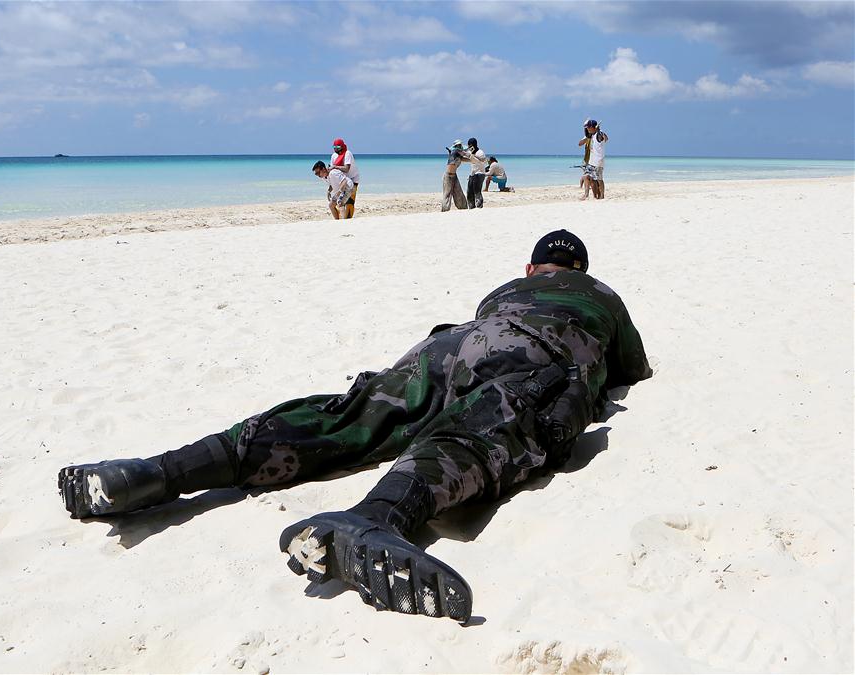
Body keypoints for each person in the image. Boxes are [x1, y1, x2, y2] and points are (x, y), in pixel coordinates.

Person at [57, 230, 652, 624]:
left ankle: (155, 473)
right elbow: (633, 369)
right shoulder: (601, 294)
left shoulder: (505, 288)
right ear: (582, 270)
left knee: (349, 418)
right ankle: (373, 520)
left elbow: (488, 331)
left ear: (530, 266)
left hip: (447, 344)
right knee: (473, 430)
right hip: (532, 351)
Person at [329, 138, 360, 218]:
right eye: (334, 147)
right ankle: (341, 218)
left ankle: (349, 219)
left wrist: (335, 166)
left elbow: (346, 169)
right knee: (340, 201)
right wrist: (330, 186)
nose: (336, 149)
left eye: (338, 147)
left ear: (342, 146)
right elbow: (332, 171)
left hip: (352, 179)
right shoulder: (334, 156)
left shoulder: (347, 153)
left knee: (350, 201)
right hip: (341, 180)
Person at [580, 120, 608, 199]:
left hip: (598, 162)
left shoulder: (599, 134)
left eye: (588, 127)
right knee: (586, 176)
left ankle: (602, 195)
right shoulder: (591, 135)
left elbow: (606, 138)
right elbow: (581, 141)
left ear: (593, 127)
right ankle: (586, 195)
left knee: (599, 179)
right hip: (591, 161)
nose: (587, 129)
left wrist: (599, 130)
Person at [441, 139, 469, 212]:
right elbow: (467, 154)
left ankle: (463, 208)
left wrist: (477, 161)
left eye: (460, 145)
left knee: (458, 192)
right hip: (448, 176)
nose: (460, 146)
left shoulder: (458, 155)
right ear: (456, 146)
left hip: (454, 176)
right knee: (447, 194)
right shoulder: (455, 151)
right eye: (458, 145)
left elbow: (468, 159)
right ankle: (445, 210)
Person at [464, 137, 487, 208]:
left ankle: (479, 207)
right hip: (473, 174)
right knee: (469, 192)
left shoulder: (481, 152)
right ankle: (471, 207)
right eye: (468, 146)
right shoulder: (470, 152)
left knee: (477, 191)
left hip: (480, 174)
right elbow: (466, 159)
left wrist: (472, 156)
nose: (469, 147)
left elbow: (482, 161)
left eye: (470, 145)